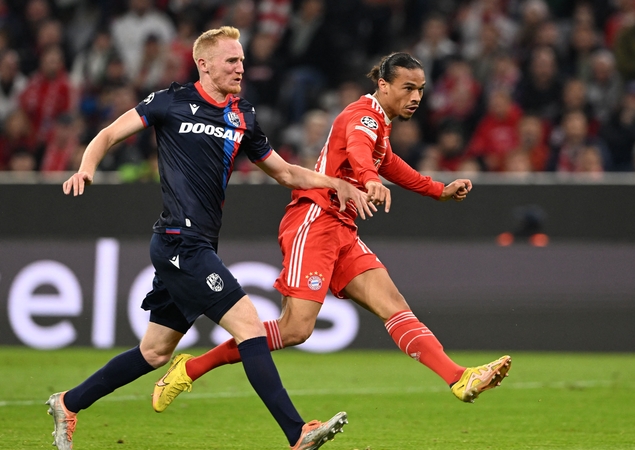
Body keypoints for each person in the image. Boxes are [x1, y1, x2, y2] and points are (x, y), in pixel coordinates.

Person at [47, 26, 366, 450]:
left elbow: (285, 172)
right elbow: (107, 134)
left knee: (155, 352)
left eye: (242, 60)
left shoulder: (243, 116)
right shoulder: (169, 102)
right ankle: (297, 432)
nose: (240, 67)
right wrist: (87, 167)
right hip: (181, 242)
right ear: (204, 63)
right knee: (249, 325)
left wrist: (334, 184)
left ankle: (68, 402)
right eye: (231, 60)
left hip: (198, 245)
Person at [151, 52, 512, 414]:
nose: (416, 97)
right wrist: (370, 180)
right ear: (383, 86)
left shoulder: (380, 123)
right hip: (315, 220)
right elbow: (358, 151)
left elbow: (388, 163)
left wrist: (437, 189)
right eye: (407, 88)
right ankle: (191, 367)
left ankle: (458, 378)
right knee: (295, 330)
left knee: (394, 306)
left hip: (342, 228)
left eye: (420, 89)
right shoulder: (362, 116)